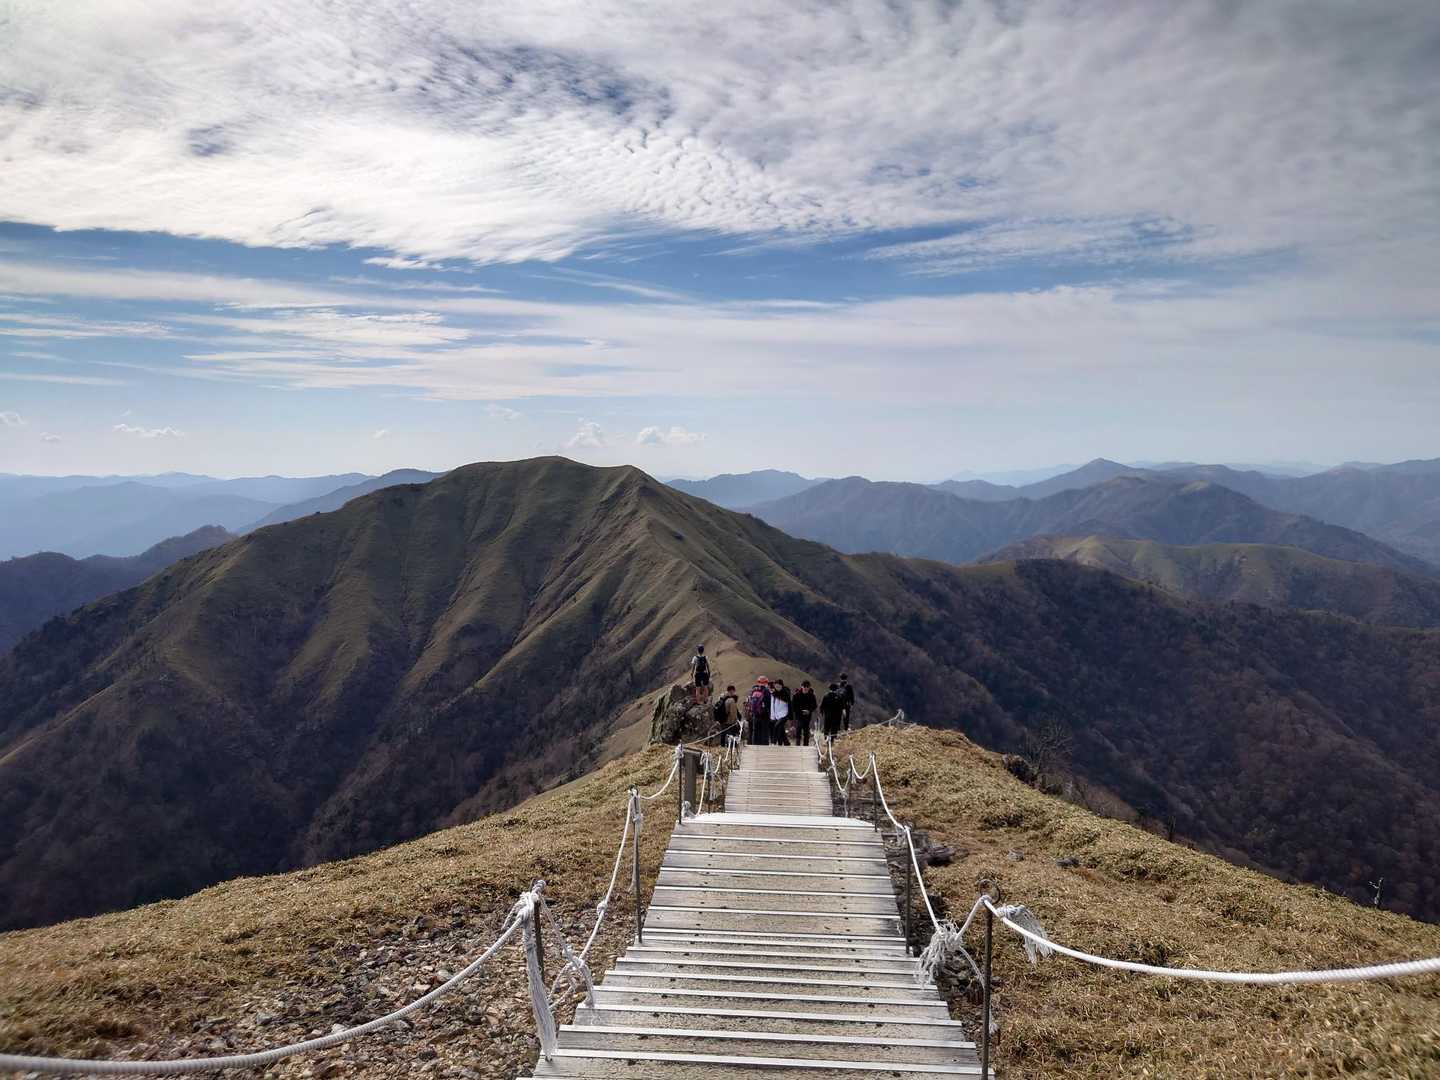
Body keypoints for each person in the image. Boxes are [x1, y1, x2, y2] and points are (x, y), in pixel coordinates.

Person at [792, 680, 817, 746]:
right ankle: (797, 744)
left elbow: (814, 705)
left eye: (807, 687)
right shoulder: (796, 695)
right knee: (799, 728)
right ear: (801, 686)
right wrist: (800, 711)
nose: (806, 688)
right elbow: (793, 706)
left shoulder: (812, 696)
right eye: (804, 686)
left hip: (807, 716)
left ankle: (806, 745)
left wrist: (809, 711)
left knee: (806, 730)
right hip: (799, 715)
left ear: (809, 687)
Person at [747, 678, 772, 745]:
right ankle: (764, 746)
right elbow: (769, 703)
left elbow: (750, 702)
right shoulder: (767, 691)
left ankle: (754, 745)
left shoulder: (754, 690)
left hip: (755, 714)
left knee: (755, 731)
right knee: (764, 731)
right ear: (766, 683)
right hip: (764, 714)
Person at [770, 679, 792, 746]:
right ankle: (786, 743)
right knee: (781, 729)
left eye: (779, 686)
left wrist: (790, 716)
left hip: (784, 714)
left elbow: (790, 705)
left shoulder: (786, 694)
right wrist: (772, 716)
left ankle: (773, 742)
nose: (777, 687)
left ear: (782, 686)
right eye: (776, 686)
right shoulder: (773, 694)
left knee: (776, 726)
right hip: (777, 715)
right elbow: (772, 705)